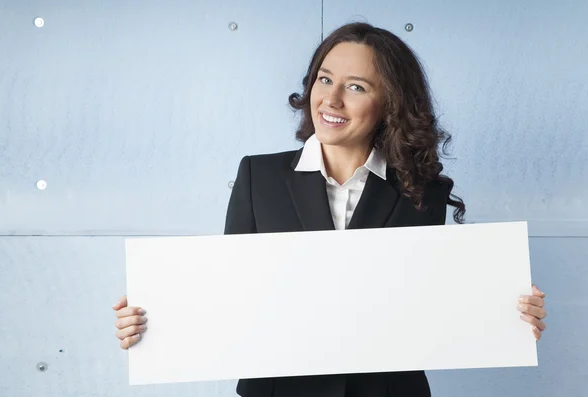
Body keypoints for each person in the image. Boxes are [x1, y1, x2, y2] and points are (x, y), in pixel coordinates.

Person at [112, 22, 547, 397]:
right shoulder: (257, 177)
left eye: (356, 87)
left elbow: (430, 304)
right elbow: (232, 295)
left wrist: (508, 311)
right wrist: (157, 318)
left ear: (390, 104)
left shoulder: (423, 190)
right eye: (324, 79)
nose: (331, 99)